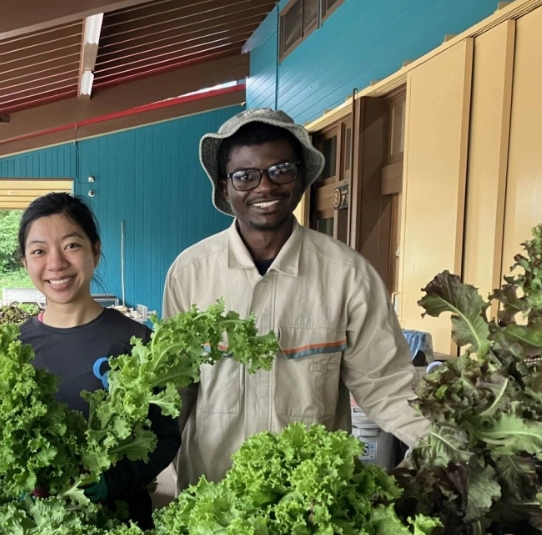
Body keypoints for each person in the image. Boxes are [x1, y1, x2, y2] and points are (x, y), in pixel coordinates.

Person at [163, 108, 429, 491]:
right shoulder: (189, 273)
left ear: (301, 177)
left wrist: (455, 453)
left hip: (310, 500)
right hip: (211, 491)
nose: (265, 187)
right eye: (245, 176)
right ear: (224, 188)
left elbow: (387, 387)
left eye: (280, 170)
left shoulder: (348, 276)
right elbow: (178, 391)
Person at [0, 192, 180, 528]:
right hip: (38, 530)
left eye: (71, 245)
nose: (55, 263)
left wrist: (117, 480)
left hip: (122, 528)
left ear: (95, 251)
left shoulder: (137, 342)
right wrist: (18, 476)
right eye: (39, 251)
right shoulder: (14, 347)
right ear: (25, 262)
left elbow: (165, 437)